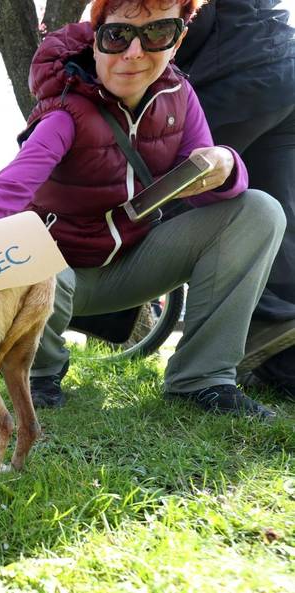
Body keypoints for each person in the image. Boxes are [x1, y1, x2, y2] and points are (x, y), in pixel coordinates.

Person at [0, 0, 286, 419]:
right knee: (30, 252)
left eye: (158, 33)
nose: (134, 53)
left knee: (258, 210)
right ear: (96, 39)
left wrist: (228, 167)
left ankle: (202, 379)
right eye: (118, 35)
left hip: (133, 263)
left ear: (177, 41)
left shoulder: (180, 97)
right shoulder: (66, 111)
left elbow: (206, 193)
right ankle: (38, 372)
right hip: (55, 277)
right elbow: (10, 187)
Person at [175, 0, 295, 399]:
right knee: (279, 213)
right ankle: (282, 359)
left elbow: (193, 17)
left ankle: (255, 333)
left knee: (172, 191)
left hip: (237, 76)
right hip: (284, 69)